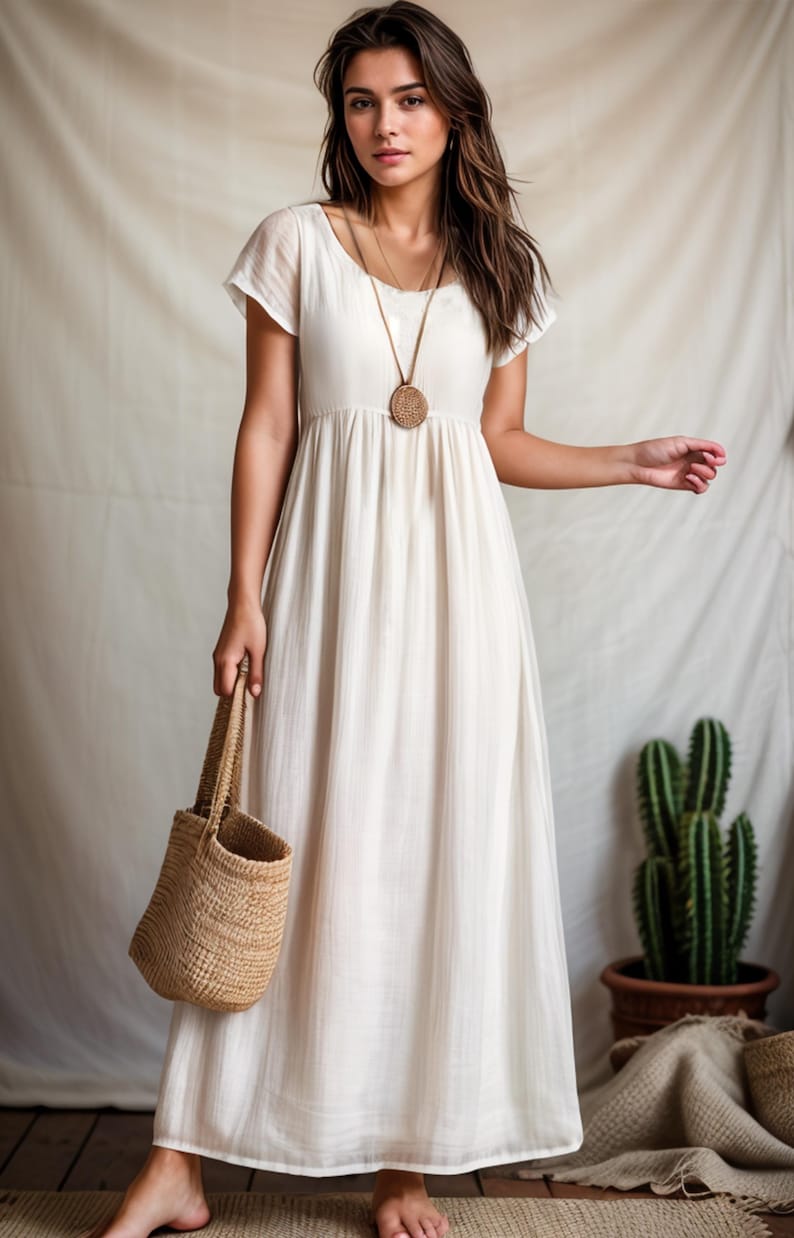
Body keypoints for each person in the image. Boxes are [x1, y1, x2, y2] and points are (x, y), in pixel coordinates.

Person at [84, 4, 726, 1237]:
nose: (386, 123)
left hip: (458, 599)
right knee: (285, 852)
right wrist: (242, 594)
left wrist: (631, 458)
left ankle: (402, 1164)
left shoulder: (501, 267)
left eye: (411, 100)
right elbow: (266, 423)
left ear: (453, 112)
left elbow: (494, 444)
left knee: (433, 850)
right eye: (363, 101)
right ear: (342, 117)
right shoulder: (293, 244)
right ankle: (178, 1157)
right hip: (321, 585)